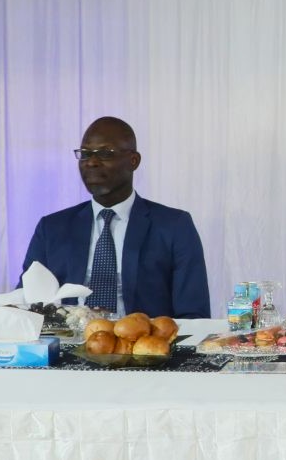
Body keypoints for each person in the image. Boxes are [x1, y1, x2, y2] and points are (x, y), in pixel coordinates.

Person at [21, 116, 211, 318]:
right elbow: (28, 303)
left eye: (105, 154)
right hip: (67, 344)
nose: (92, 162)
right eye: (85, 154)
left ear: (133, 161)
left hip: (142, 345)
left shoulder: (174, 226)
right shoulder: (52, 228)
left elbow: (194, 314)